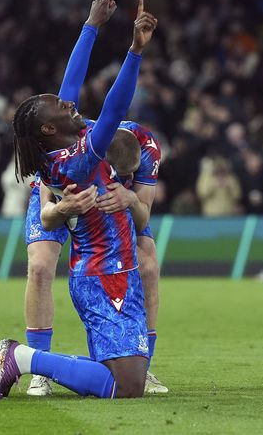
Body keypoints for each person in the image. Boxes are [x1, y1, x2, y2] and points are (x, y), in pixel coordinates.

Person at [0, 0, 158, 400]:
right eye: (60, 107)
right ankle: (23, 358)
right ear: (49, 128)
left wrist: (92, 26)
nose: (69, 103)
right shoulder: (79, 159)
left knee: (123, 376)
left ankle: (31, 360)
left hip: (106, 269)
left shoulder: (59, 151)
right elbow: (115, 108)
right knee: (127, 386)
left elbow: (70, 86)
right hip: (103, 273)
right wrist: (134, 52)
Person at [44, 120, 167, 394]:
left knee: (148, 266)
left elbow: (143, 216)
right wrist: (63, 207)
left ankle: (142, 366)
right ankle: (37, 362)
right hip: (64, 197)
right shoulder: (74, 144)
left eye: (126, 176)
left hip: (118, 206)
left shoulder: (147, 149)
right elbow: (45, 214)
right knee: (41, 264)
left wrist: (131, 199)